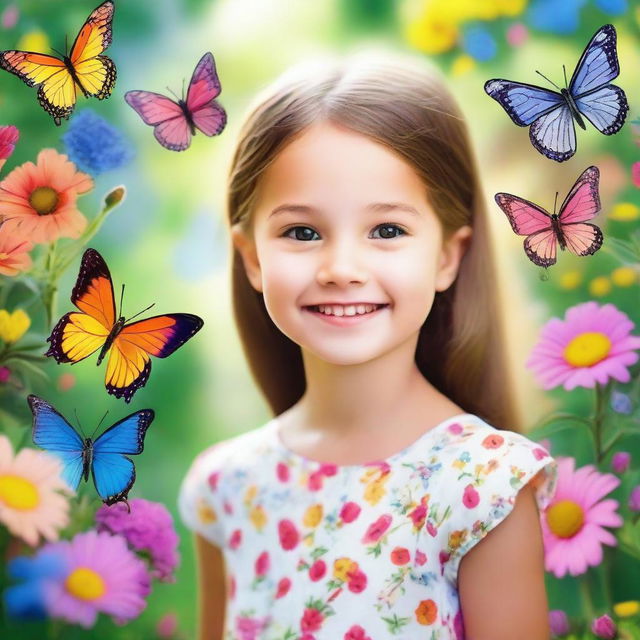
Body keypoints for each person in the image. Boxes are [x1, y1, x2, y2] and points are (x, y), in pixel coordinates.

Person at [178, 49, 558, 640]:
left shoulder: (483, 487)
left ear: (446, 256)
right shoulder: (226, 487)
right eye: (302, 232)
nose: (341, 268)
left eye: (387, 231)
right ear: (252, 256)